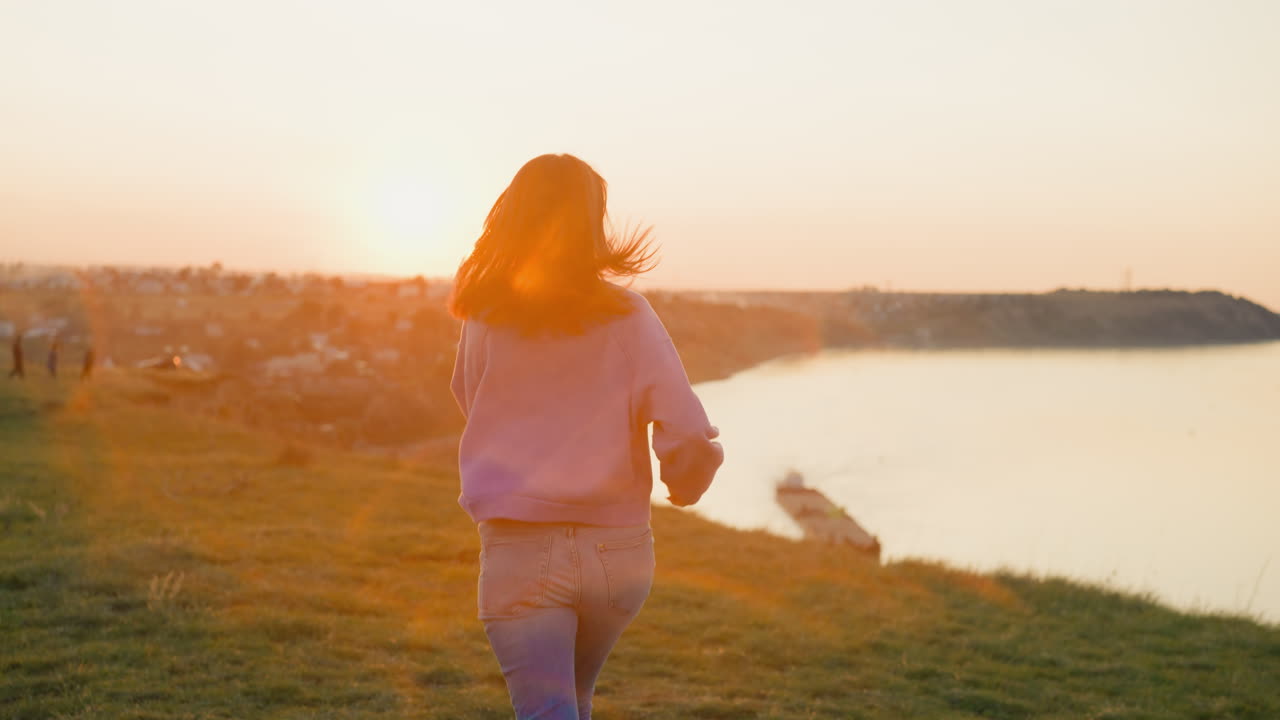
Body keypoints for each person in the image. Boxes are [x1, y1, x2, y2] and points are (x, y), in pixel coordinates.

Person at [448, 153, 724, 720]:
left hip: (519, 547)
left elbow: (469, 401)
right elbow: (688, 430)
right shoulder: (629, 315)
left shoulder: (485, 315)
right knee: (573, 700)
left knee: (549, 710)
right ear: (591, 222)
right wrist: (686, 482)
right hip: (618, 554)